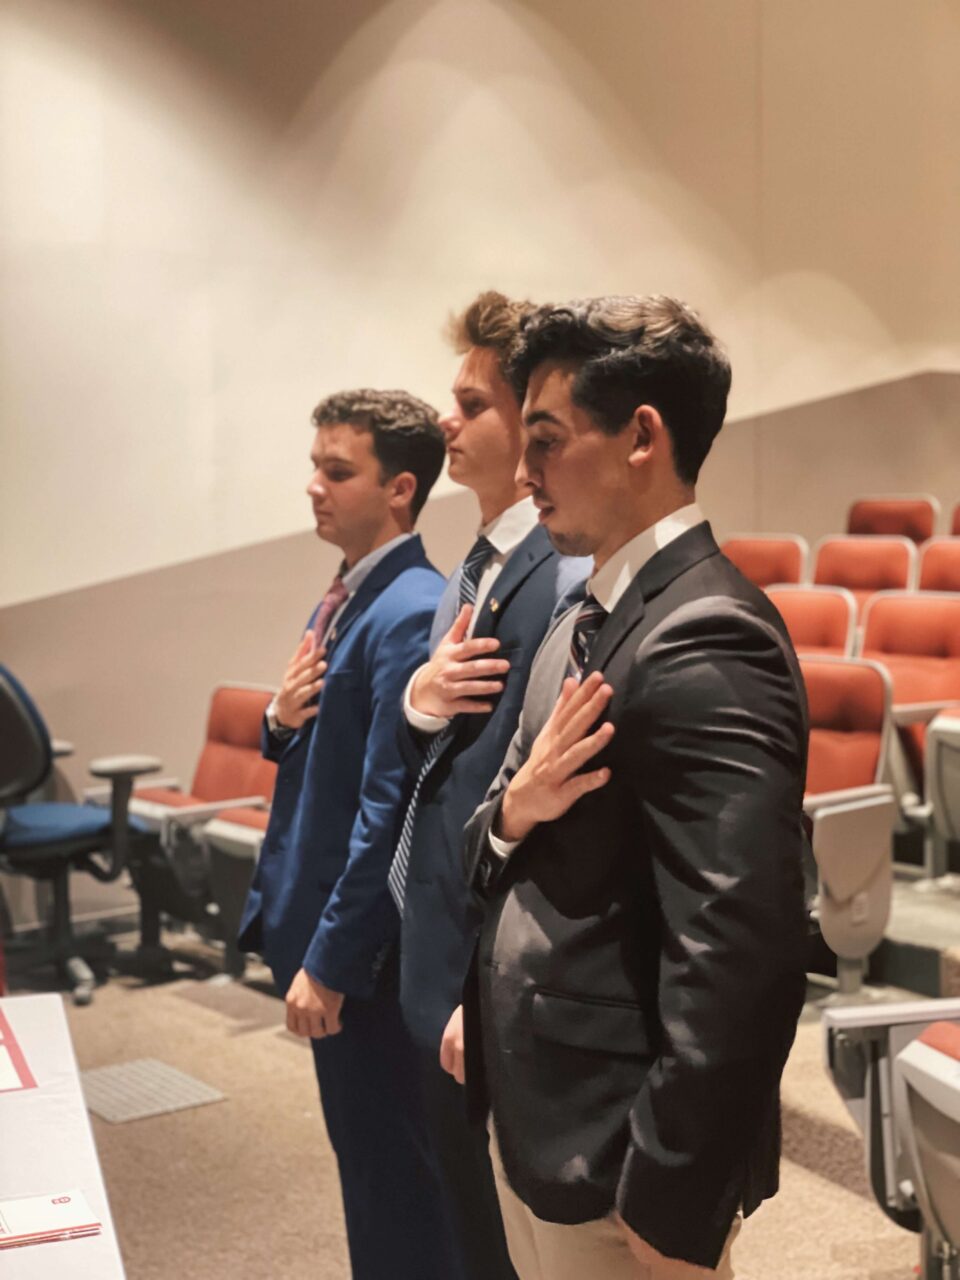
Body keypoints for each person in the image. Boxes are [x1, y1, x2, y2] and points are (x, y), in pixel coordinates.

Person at [457, 296, 810, 1279]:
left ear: (642, 434)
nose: (523, 475)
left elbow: (742, 947)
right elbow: (506, 827)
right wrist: (512, 812)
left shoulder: (705, 632)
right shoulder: (602, 611)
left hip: (617, 1164)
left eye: (548, 439)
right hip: (548, 1119)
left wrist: (672, 1190)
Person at [388, 291, 588, 1280]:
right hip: (433, 940)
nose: (444, 420)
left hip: (481, 959)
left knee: (501, 1236)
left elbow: (531, 805)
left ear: (527, 424)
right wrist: (418, 704)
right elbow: (437, 753)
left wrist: (480, 981)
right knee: (460, 1212)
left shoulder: (554, 574)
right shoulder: (477, 560)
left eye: (470, 402)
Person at [238, 388, 455, 1279]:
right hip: (324, 923)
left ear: (399, 489)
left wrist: (330, 959)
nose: (314, 488)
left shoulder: (409, 605)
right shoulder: (347, 593)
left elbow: (389, 809)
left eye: (338, 471)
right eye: (315, 467)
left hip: (364, 956)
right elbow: (314, 742)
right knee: (369, 1170)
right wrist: (277, 724)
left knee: (394, 1181)